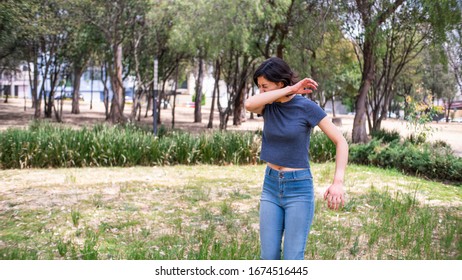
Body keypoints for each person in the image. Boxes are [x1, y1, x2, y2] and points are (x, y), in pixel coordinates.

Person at [245, 57, 348, 260]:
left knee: (292, 259)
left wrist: (338, 182)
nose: (261, 92)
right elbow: (249, 104)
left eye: (265, 87)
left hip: (299, 189)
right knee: (268, 258)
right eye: (259, 87)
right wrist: (287, 90)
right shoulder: (268, 105)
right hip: (271, 187)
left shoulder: (306, 107)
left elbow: (341, 142)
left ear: (280, 82)